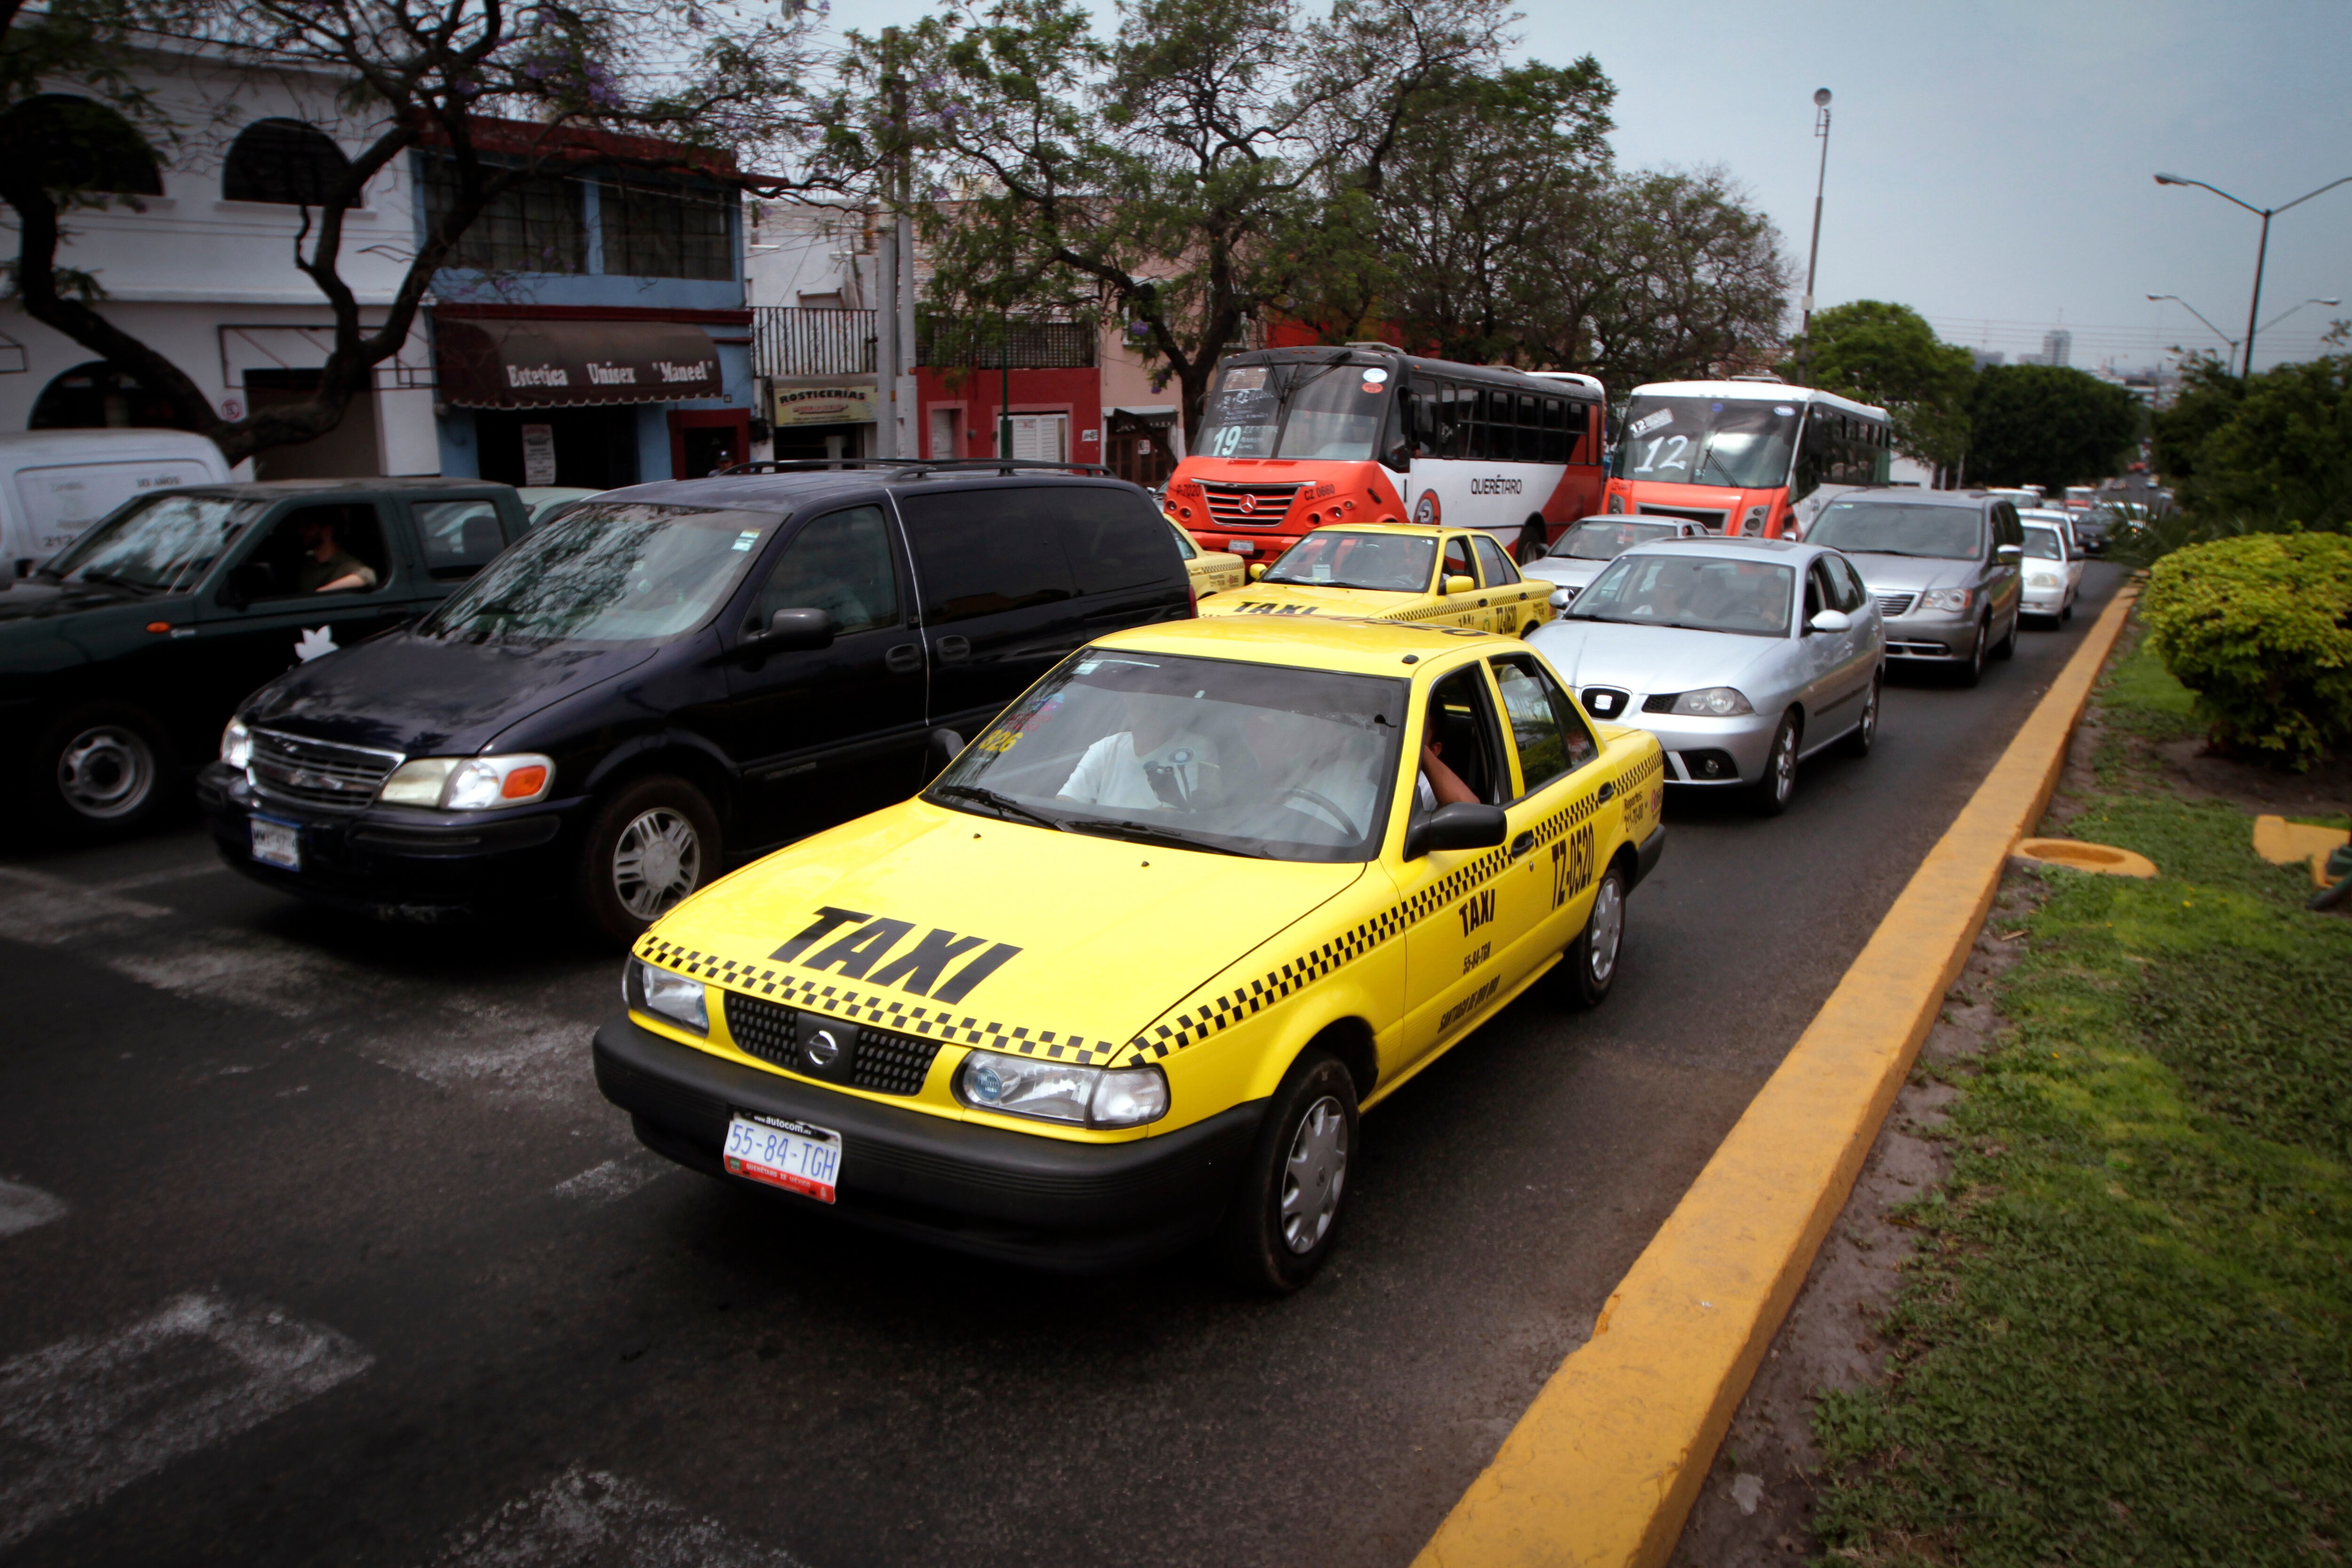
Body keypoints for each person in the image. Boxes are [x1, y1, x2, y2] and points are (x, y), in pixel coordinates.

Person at [1057, 694, 1220, 810]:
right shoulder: (1106, 748)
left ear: (1171, 700)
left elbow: (1173, 815)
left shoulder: (1195, 750)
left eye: (1153, 695)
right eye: (1136, 693)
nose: (1143, 700)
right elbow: (1066, 802)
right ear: (1125, 698)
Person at [296, 515, 377, 594]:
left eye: (308, 527)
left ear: (327, 531)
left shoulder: (344, 564)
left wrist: (321, 594)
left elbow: (368, 577)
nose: (301, 531)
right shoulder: (308, 563)